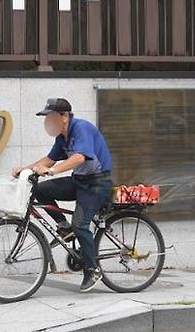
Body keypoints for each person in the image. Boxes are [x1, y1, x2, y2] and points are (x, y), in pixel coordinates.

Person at [12, 98, 114, 292]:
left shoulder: (81, 129)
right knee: (40, 190)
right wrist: (24, 169)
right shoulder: (62, 137)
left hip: (97, 183)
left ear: (64, 116)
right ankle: (64, 227)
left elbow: (79, 157)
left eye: (50, 117)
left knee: (81, 224)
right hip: (79, 180)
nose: (47, 122)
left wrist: (54, 171)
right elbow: (49, 160)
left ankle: (93, 270)